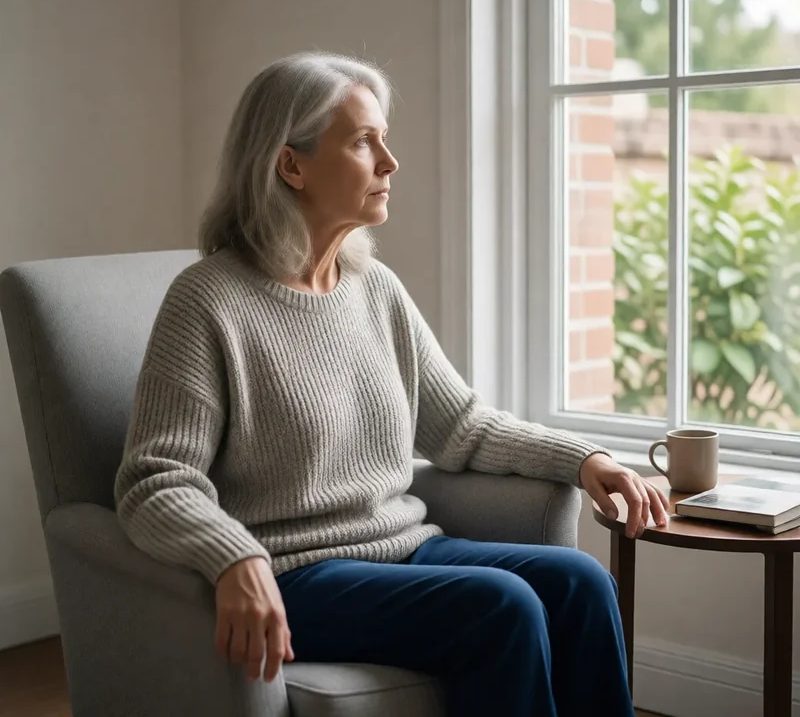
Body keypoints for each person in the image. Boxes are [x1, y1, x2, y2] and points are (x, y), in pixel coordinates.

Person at [114, 51, 669, 717]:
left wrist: (585, 459)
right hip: (296, 575)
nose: (389, 162)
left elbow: (459, 426)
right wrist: (234, 558)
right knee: (504, 606)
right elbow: (154, 479)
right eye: (361, 142)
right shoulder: (208, 301)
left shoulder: (374, 289)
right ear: (291, 165)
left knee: (582, 583)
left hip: (405, 548)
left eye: (384, 139)